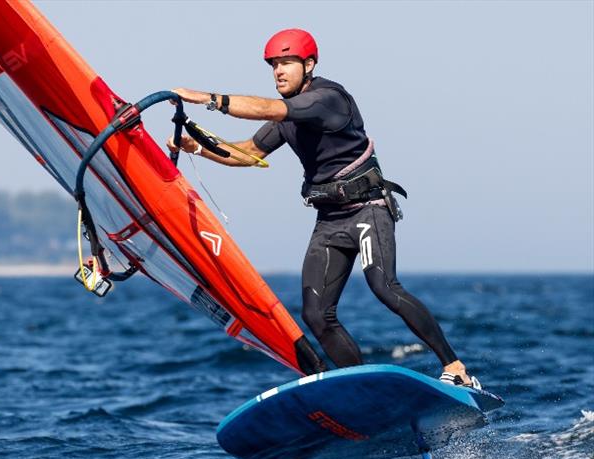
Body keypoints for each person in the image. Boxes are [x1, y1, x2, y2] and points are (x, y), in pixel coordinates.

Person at [167, 29, 481, 388]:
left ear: (309, 65)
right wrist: (196, 148)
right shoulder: (286, 120)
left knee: (383, 286)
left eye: (286, 63)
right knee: (316, 314)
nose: (278, 72)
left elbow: (270, 108)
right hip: (330, 219)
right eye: (273, 65)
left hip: (368, 209)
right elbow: (249, 153)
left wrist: (205, 98)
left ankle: (455, 368)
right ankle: (364, 391)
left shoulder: (327, 99)